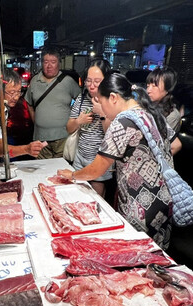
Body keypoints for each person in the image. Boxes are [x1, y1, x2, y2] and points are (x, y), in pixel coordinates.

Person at [58, 73, 173, 249]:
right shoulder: (150, 113)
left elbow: (97, 168)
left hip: (140, 206)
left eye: (101, 102)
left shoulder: (123, 121)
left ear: (113, 98)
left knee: (136, 259)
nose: (101, 109)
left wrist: (73, 175)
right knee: (157, 261)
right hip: (164, 200)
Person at [66, 59, 113, 197]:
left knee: (96, 200)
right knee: (76, 196)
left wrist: (102, 114)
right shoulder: (81, 99)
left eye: (97, 81)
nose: (91, 86)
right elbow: (69, 128)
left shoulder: (112, 101)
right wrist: (79, 121)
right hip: (80, 157)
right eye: (88, 81)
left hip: (101, 159)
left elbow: (113, 135)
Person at [25, 47, 81, 159]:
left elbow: (80, 101)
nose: (49, 66)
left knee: (61, 171)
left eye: (53, 62)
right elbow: (29, 104)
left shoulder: (68, 81)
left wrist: (74, 120)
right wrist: (37, 121)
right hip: (40, 138)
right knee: (42, 169)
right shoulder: (35, 81)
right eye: (46, 62)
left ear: (59, 64)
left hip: (63, 137)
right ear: (42, 63)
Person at [146, 66, 182, 155]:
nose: (148, 90)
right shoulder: (147, 107)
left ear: (167, 89)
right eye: (148, 85)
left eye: (154, 86)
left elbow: (162, 144)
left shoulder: (172, 115)